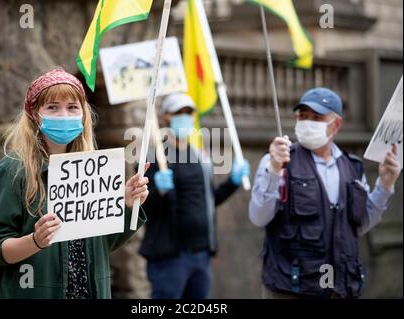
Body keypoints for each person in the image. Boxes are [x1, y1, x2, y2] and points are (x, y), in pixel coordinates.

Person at [0, 68, 150, 299]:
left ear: (83, 115)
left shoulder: (93, 170)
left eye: (72, 107)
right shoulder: (12, 170)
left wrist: (129, 205)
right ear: (34, 115)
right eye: (52, 107)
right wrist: (35, 241)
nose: (64, 115)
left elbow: (102, 245)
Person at [249, 87, 401, 299]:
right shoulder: (278, 161)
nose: (307, 122)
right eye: (303, 116)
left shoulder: (353, 168)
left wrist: (385, 185)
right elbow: (258, 216)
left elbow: (361, 224)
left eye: (317, 117)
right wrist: (274, 170)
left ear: (336, 124)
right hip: (290, 290)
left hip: (339, 290)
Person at [140, 93, 251, 299]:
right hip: (169, 257)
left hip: (201, 254)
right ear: (165, 117)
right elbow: (142, 208)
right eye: (179, 112)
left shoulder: (200, 156)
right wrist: (158, 191)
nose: (185, 117)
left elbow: (209, 200)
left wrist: (232, 183)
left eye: (189, 112)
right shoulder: (154, 158)